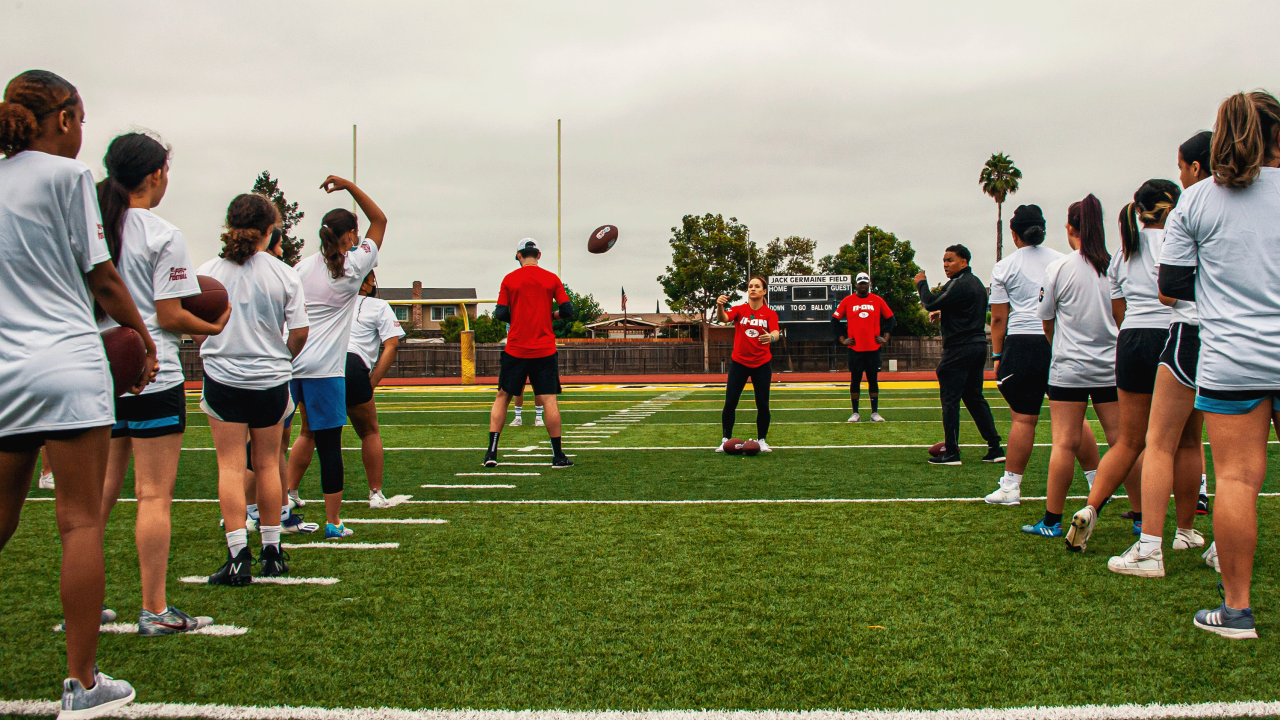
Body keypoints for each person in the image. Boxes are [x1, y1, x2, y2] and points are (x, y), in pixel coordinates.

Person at [0, 69, 156, 716]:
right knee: (81, 521)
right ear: (62, 119)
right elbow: (104, 278)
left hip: (5, 369)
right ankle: (84, 683)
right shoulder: (68, 178)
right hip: (66, 363)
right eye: (81, 118)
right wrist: (142, 339)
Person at [95, 132, 230, 635]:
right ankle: (154, 608)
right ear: (155, 175)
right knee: (152, 495)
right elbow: (170, 315)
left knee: (98, 499)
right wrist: (213, 326)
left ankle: (87, 604)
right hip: (152, 373)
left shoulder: (92, 225)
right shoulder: (161, 233)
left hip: (102, 372)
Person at [1161, 90, 1280, 639]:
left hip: (1231, 357)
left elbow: (1173, 286)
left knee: (1235, 480)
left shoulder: (1198, 201)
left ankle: (1236, 611)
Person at [1062, 181, 1183, 551]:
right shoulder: (1179, 241)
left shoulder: (1122, 252)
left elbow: (1120, 313)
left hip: (1131, 340)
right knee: (1184, 443)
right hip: (1174, 336)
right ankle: (1184, 530)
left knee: (1128, 440)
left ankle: (1090, 507)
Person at [197, 193, 308, 585]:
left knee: (230, 465)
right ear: (268, 230)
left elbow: (196, 328)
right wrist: (281, 359)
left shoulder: (207, 272)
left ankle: (236, 553)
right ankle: (272, 550)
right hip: (270, 379)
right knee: (266, 464)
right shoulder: (283, 273)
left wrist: (215, 348)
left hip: (224, 376)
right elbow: (299, 333)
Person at [284, 176, 385, 540]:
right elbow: (381, 220)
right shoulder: (354, 266)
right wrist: (349, 185)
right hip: (325, 370)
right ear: (351, 235)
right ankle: (333, 521)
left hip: (292, 366)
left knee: (295, 436)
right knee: (330, 446)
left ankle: (280, 504)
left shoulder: (301, 267)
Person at [984, 205, 1102, 506]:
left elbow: (998, 318)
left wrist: (997, 355)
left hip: (1022, 343)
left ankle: (1011, 486)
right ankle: (1097, 482)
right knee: (1075, 418)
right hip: (1058, 341)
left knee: (1023, 419)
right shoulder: (1063, 260)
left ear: (1013, 233)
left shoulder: (1005, 266)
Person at [1026, 195, 1122, 539]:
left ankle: (1051, 521)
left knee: (1064, 443)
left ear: (1070, 227)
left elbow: (1047, 321)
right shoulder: (1114, 265)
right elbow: (1121, 317)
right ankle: (1141, 516)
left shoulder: (1059, 268)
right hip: (1110, 367)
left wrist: (1061, 349)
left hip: (1069, 368)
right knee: (1125, 443)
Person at [482, 238, 575, 468]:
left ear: (519, 256)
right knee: (549, 399)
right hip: (544, 349)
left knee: (502, 397)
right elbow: (567, 309)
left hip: (516, 348)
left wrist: (520, 317)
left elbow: (500, 313)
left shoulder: (509, 279)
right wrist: (549, 316)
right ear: (539, 255)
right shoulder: (551, 278)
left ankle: (491, 453)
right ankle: (557, 455)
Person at [914, 245, 1004, 465]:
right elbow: (965, 309)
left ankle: (951, 451)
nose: (945, 264)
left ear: (964, 261)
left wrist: (921, 284)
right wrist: (944, 313)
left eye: (950, 260)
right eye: (944, 260)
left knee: (950, 399)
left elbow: (929, 302)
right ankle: (995, 447)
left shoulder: (959, 283)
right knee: (974, 398)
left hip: (959, 348)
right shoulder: (976, 285)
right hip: (978, 345)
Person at [346, 270, 404, 508]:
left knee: (309, 433)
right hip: (351, 365)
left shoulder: (328, 300)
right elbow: (392, 345)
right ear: (367, 282)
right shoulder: (377, 305)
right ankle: (375, 494)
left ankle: (290, 493)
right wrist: (371, 383)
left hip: (318, 366)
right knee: (369, 431)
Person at [715, 276, 779, 452]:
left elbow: (776, 332)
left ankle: (762, 440)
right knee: (730, 402)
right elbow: (724, 318)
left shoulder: (770, 313)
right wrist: (719, 305)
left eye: (757, 286)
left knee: (763, 404)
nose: (753, 289)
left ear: (764, 291)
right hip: (739, 362)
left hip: (761, 363)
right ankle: (725, 438)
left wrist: (771, 337)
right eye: (750, 286)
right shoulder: (740, 310)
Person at [831, 272, 894, 422]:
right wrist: (842, 339)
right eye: (861, 283)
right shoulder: (848, 300)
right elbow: (834, 320)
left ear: (869, 284)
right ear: (856, 284)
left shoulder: (877, 300)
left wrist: (885, 337)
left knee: (873, 380)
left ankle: (874, 413)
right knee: (855, 380)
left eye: (865, 283)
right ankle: (855, 413)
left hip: (873, 348)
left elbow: (891, 318)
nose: (863, 285)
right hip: (855, 349)